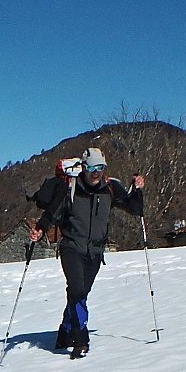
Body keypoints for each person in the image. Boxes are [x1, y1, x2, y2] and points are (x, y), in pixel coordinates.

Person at [29, 147, 145, 357]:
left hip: (95, 251)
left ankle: (65, 330)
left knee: (80, 294)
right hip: (71, 247)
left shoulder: (110, 188)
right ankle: (81, 340)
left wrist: (137, 190)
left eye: (100, 167)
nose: (96, 172)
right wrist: (40, 229)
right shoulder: (70, 188)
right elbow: (51, 213)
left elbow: (135, 209)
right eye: (92, 168)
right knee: (78, 290)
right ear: (83, 167)